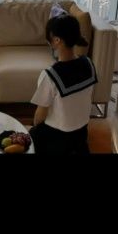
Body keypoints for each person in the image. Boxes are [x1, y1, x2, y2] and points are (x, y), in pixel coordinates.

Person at [29, 13, 97, 154]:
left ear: (57, 40)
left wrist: (35, 129)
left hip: (57, 138)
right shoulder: (89, 64)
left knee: (31, 134)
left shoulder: (50, 75)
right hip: (81, 135)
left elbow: (39, 116)